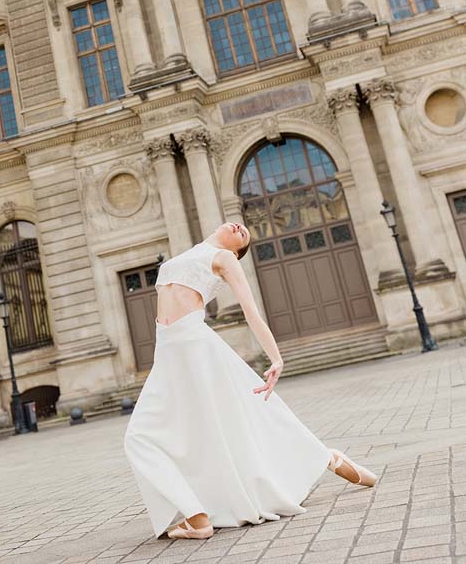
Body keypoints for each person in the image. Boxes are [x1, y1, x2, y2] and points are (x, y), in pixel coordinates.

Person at [124, 221, 377, 540]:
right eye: (241, 229)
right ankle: (325, 457)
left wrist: (276, 358)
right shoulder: (189, 254)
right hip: (168, 352)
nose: (241, 230)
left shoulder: (223, 258)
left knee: (237, 419)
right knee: (148, 434)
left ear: (236, 251)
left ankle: (199, 519)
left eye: (244, 238)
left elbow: (250, 311)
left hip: (194, 346)